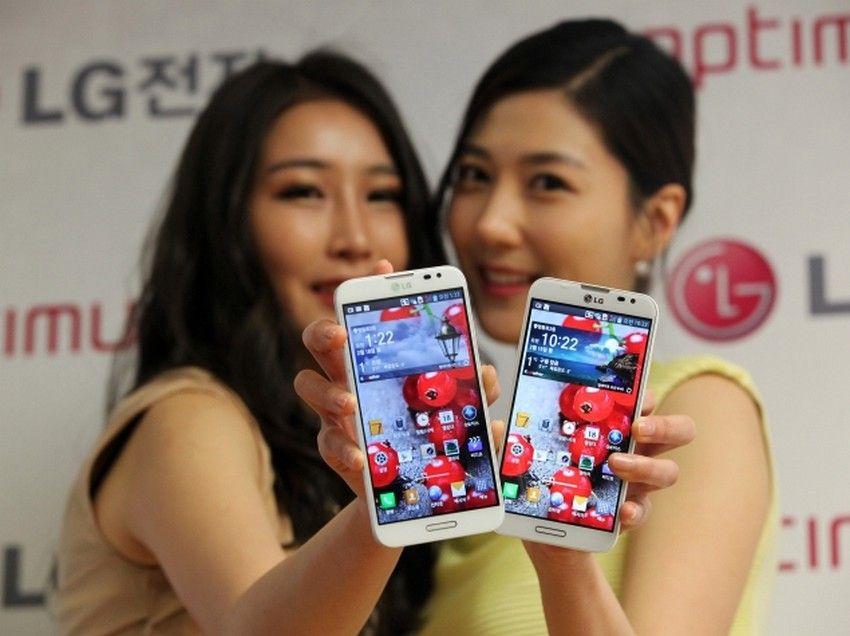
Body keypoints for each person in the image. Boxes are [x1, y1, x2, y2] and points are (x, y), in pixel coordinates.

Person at [299, 19, 775, 635]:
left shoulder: (701, 407)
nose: (490, 223)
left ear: (655, 221)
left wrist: (564, 561)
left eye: (548, 183)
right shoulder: (465, 479)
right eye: (474, 175)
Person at [56, 52, 445, 634]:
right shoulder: (189, 418)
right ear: (228, 219)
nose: (356, 237)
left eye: (382, 195)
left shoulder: (334, 434)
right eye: (304, 192)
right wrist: (391, 497)